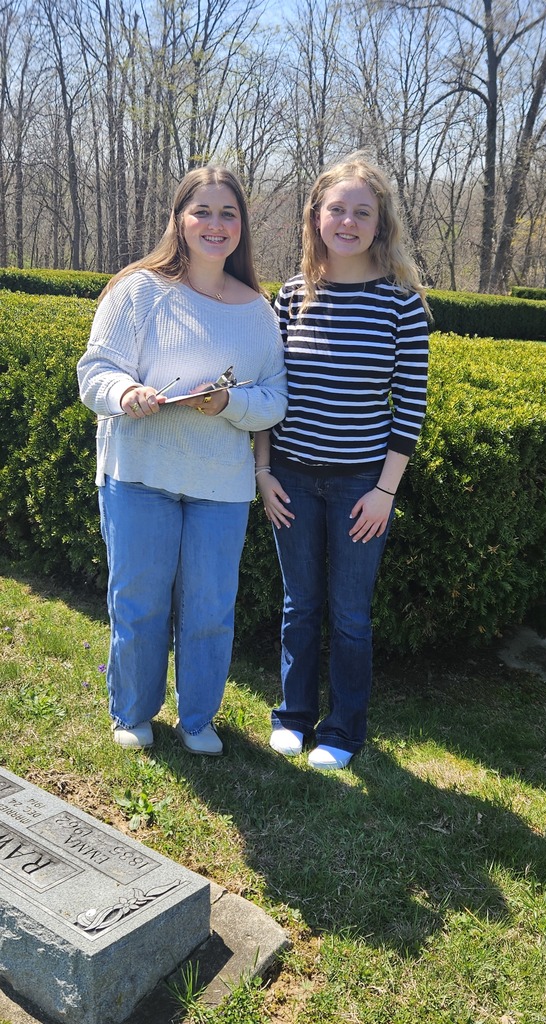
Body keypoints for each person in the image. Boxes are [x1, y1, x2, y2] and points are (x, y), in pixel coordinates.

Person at [78, 166, 287, 754]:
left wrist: (229, 402)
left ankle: (198, 719)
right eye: (202, 211)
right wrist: (126, 394)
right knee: (139, 602)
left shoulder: (257, 311)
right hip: (140, 472)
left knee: (210, 610)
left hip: (220, 485)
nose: (215, 224)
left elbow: (275, 399)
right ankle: (134, 712)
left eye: (228, 213)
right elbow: (95, 370)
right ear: (179, 219)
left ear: (242, 226)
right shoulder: (138, 291)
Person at [254, 153, 429, 770]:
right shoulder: (293, 295)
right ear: (316, 216)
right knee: (299, 605)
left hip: (361, 485)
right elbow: (270, 391)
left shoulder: (401, 303)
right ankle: (293, 717)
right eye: (337, 210)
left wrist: (385, 491)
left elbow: (411, 404)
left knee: (350, 615)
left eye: (362, 211)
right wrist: (263, 471)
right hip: (292, 480)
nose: (348, 222)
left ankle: (342, 730)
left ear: (380, 223)